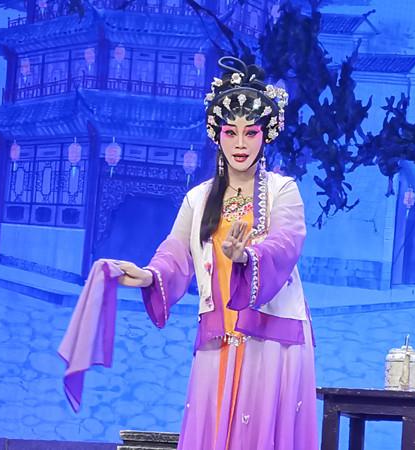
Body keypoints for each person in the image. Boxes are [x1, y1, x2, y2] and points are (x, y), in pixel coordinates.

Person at [113, 56, 318, 450]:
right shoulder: (199, 198)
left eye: (250, 133)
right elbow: (176, 251)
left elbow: (286, 243)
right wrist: (150, 275)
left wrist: (247, 258)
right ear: (217, 135)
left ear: (265, 135)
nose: (240, 144)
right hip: (218, 332)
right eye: (230, 132)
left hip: (271, 335)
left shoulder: (283, 191)